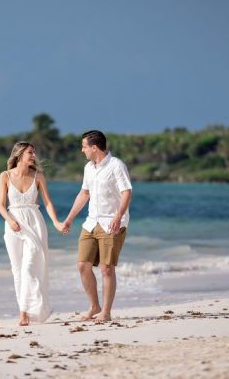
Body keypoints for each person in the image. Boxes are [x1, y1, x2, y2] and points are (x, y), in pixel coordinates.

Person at [63, 130, 133, 323]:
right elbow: (84, 194)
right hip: (91, 222)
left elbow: (126, 192)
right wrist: (69, 219)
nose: (82, 150)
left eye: (84, 146)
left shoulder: (116, 165)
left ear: (94, 148)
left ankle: (106, 312)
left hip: (112, 222)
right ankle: (94, 306)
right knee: (82, 265)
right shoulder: (88, 167)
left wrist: (118, 216)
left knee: (106, 268)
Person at [0, 141, 66, 326]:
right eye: (30, 152)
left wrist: (56, 223)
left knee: (29, 266)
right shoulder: (5, 176)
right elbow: (1, 206)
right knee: (17, 270)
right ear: (19, 155)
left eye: (34, 152)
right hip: (13, 224)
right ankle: (23, 312)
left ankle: (29, 310)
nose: (34, 155)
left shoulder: (38, 176)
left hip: (34, 223)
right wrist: (10, 220)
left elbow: (48, 203)